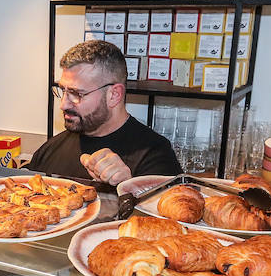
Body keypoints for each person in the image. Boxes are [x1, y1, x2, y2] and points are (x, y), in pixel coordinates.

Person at [27, 40, 180, 186]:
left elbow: (163, 209)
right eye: (63, 90)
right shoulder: (51, 149)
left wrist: (128, 187)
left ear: (114, 95)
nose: (63, 104)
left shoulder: (155, 155)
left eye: (76, 94)